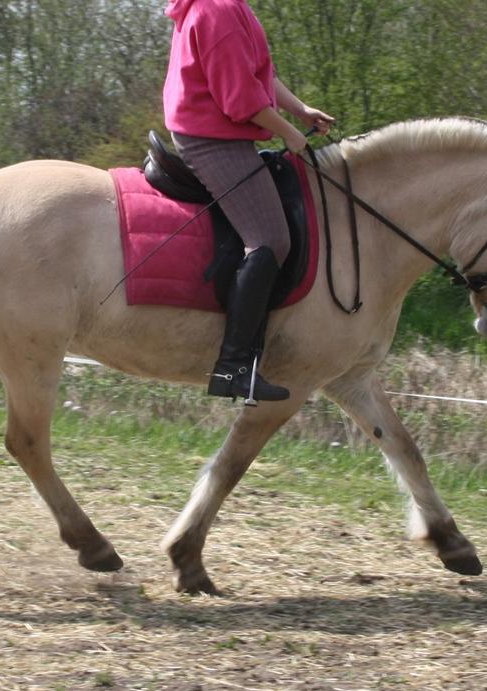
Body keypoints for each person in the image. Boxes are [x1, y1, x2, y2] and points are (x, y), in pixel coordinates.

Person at [163, 0, 333, 404]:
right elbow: (240, 99)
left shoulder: (232, 6)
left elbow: (257, 75)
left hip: (219, 130)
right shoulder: (216, 11)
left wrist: (298, 109)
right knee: (271, 238)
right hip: (209, 139)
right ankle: (234, 367)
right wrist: (289, 133)